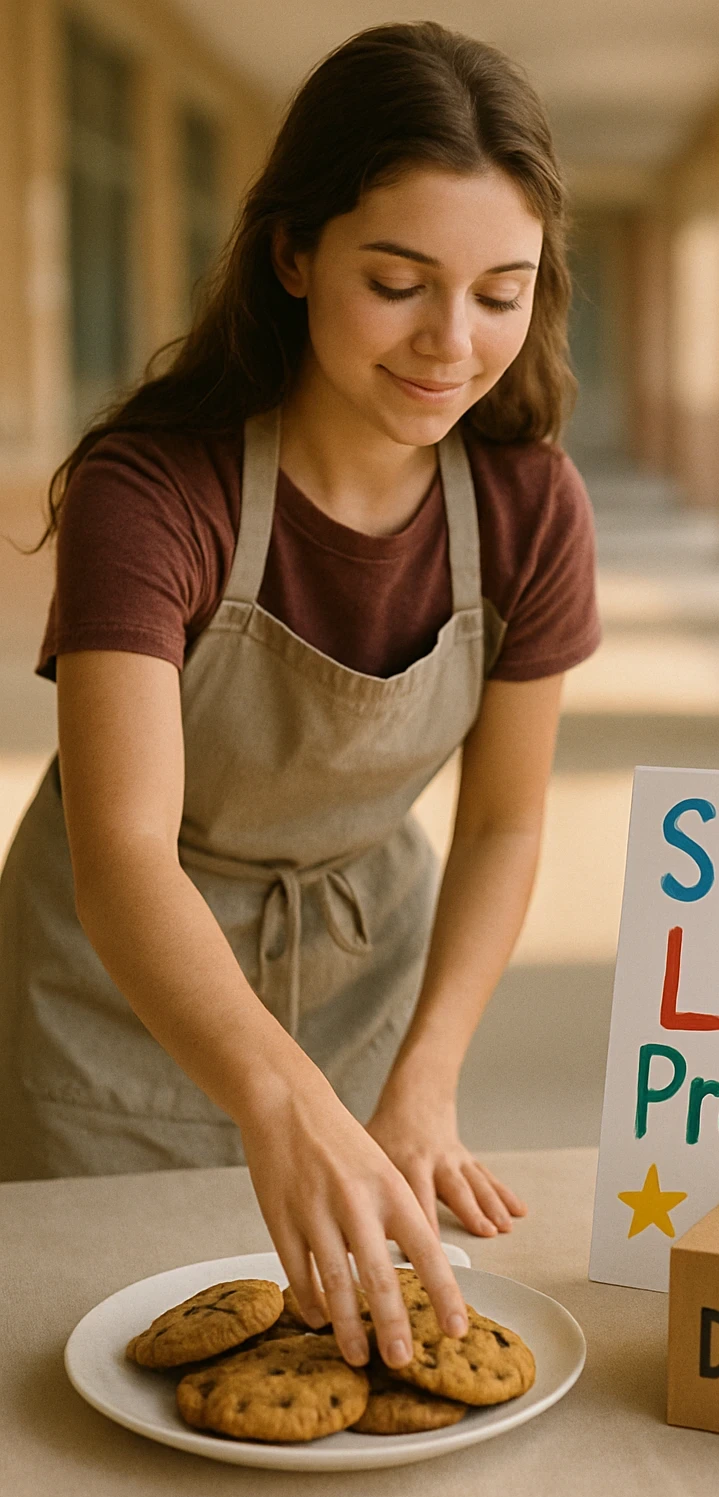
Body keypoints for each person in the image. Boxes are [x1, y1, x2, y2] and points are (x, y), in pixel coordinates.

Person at [0, 21, 599, 1372]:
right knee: (82, 1370)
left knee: (346, 1360)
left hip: (367, 980)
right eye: (399, 281)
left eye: (500, 293)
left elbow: (505, 825)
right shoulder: (154, 491)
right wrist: (281, 1096)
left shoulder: (528, 506)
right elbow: (124, 853)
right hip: (112, 995)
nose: (452, 342)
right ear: (294, 254)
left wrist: (423, 1077)